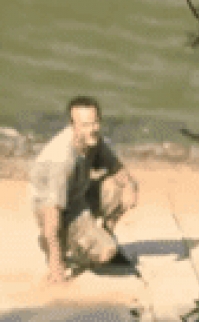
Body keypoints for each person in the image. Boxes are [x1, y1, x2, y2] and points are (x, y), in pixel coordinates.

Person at [30, 96, 139, 284]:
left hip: (78, 197)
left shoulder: (93, 140)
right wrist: (56, 266)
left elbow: (117, 168)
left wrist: (130, 186)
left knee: (119, 187)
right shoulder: (61, 158)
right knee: (106, 252)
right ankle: (60, 245)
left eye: (96, 122)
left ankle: (101, 237)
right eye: (86, 125)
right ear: (74, 126)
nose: (93, 129)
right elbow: (51, 214)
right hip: (57, 212)